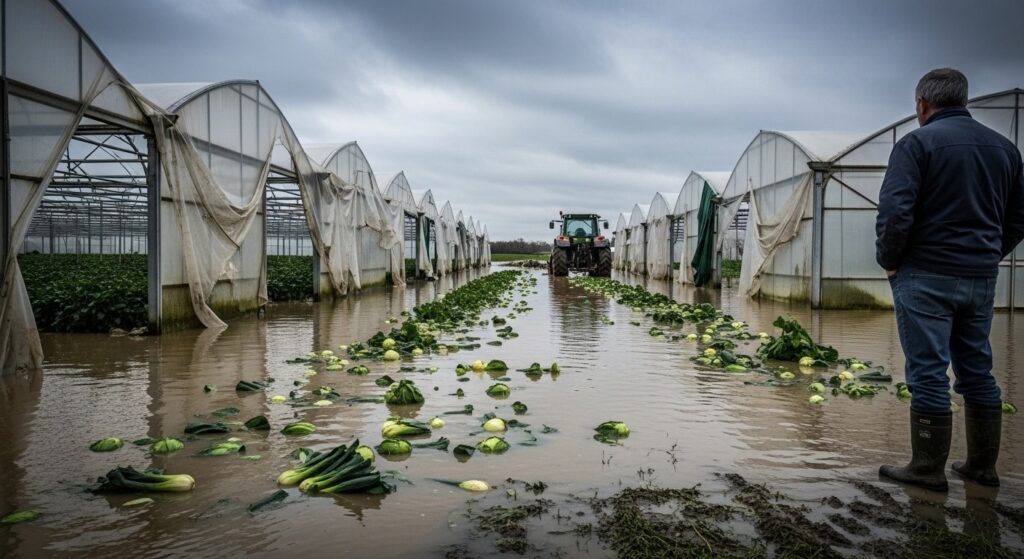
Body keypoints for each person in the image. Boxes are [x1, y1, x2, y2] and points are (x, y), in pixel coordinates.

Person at [875, 68, 1024, 491]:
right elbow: (1018, 218)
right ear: (965, 99)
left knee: (927, 371)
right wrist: (989, 254)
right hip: (979, 277)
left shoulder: (916, 144)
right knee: (977, 368)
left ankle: (926, 469)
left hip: (924, 274)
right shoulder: (1006, 150)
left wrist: (890, 261)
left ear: (922, 104)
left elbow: (895, 213)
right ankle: (981, 467)